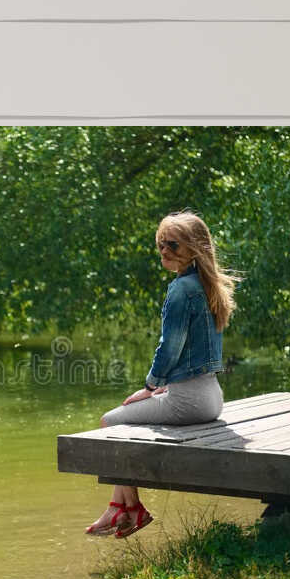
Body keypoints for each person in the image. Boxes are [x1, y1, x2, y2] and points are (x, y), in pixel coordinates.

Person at [85, 210, 240, 538]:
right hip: (211, 397)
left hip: (189, 401)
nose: (164, 251)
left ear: (194, 247)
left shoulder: (181, 289)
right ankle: (120, 508)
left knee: (110, 422)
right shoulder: (207, 284)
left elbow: (170, 347)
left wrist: (150, 386)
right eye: (160, 245)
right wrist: (163, 388)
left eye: (173, 245)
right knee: (121, 422)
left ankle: (130, 508)